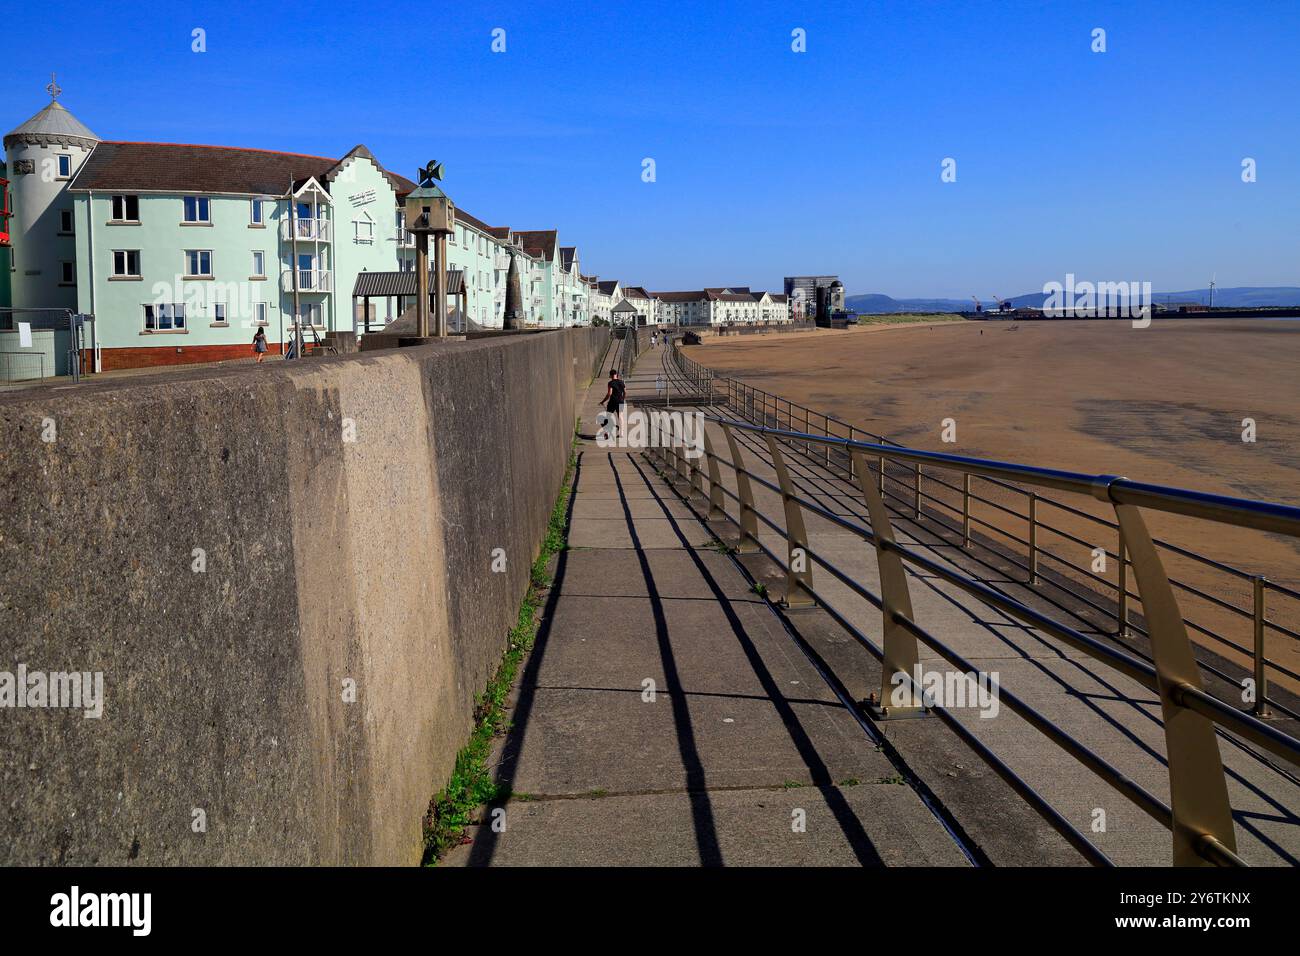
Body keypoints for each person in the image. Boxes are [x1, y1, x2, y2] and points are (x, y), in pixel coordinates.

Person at [600, 369, 627, 441]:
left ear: (610, 375)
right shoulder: (621, 382)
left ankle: (607, 433)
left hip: (613, 401)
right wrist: (622, 399)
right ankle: (621, 433)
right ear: (616, 374)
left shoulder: (610, 383)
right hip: (620, 401)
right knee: (620, 416)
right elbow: (625, 392)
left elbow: (609, 393)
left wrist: (603, 401)